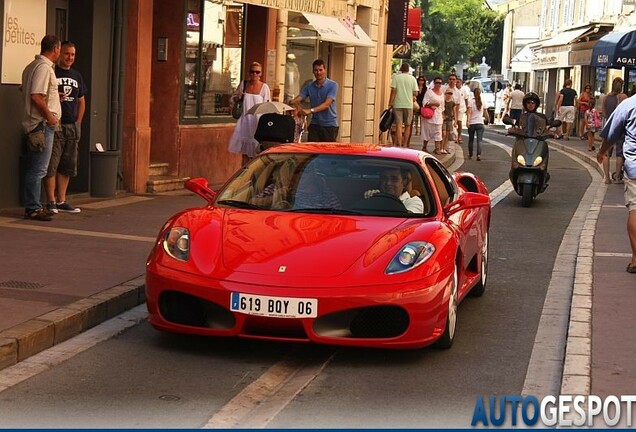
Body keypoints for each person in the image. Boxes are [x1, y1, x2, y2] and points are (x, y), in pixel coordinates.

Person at [20, 35, 62, 221]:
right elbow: (36, 96)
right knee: (38, 169)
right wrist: (50, 116)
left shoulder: (31, 66)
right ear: (56, 49)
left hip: (36, 123)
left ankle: (33, 205)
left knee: (35, 167)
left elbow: (26, 90)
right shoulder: (44, 68)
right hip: (41, 125)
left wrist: (53, 100)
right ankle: (33, 207)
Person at [43, 41, 87, 214]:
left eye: (73, 55)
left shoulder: (77, 76)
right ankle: (51, 201)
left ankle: (62, 200)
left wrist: (78, 122)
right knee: (52, 163)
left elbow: (81, 101)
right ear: (59, 53)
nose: (70, 58)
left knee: (68, 165)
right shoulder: (51, 72)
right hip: (56, 124)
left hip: (71, 125)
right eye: (67, 54)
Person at [596, 93, 636, 273]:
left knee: (635, 209)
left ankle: (635, 259)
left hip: (634, 167)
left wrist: (602, 151)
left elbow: (611, 134)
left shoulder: (628, 104)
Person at [228, 62, 271, 165]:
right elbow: (232, 100)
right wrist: (238, 98)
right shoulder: (243, 84)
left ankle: (253, 176)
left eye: (257, 72)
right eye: (252, 72)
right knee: (245, 153)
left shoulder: (264, 87)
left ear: (261, 74)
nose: (255, 74)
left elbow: (267, 106)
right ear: (249, 73)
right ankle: (244, 175)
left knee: (256, 152)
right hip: (245, 121)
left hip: (257, 122)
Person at [291, 59, 339, 142]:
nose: (318, 73)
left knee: (327, 152)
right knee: (312, 151)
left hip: (329, 125)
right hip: (315, 124)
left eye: (320, 70)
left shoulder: (333, 85)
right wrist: (294, 103)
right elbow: (299, 98)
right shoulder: (309, 86)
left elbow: (327, 104)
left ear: (325, 70)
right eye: (316, 70)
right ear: (313, 71)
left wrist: (310, 110)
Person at [601, 77, 628, 184]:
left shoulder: (606, 98)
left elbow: (603, 113)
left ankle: (607, 178)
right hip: (620, 127)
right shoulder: (623, 97)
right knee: (619, 154)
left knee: (606, 153)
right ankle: (617, 178)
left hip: (609, 126)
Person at [387, 62, 418, 148]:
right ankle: (405, 145)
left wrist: (390, 103)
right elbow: (415, 93)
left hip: (397, 104)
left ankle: (399, 145)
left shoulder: (396, 78)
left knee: (399, 125)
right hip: (408, 104)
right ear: (408, 70)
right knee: (407, 126)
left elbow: (393, 91)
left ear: (401, 69)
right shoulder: (412, 79)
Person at [421, 76, 444, 154]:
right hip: (429, 116)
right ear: (434, 83)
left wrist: (443, 115)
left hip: (438, 116)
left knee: (438, 133)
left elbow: (442, 106)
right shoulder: (429, 92)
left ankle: (437, 148)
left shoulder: (442, 94)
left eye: (440, 83)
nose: (438, 84)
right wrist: (433, 103)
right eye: (436, 82)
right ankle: (424, 147)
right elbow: (424, 103)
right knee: (427, 132)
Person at [465, 87, 488, 161]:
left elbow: (469, 112)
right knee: (479, 140)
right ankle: (478, 155)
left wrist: (468, 121)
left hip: (472, 123)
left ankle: (471, 155)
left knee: (471, 140)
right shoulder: (483, 101)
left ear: (473, 94)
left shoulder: (471, 101)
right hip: (480, 123)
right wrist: (488, 119)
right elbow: (485, 112)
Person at [442, 88, 456, 154]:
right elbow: (441, 110)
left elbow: (454, 112)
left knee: (447, 135)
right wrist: (443, 115)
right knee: (443, 134)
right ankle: (441, 148)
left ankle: (445, 148)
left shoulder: (452, 103)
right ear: (445, 94)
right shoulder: (443, 102)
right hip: (444, 120)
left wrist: (455, 121)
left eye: (451, 93)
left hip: (450, 120)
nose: (449, 95)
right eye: (448, 93)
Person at [455, 77, 467, 144]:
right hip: (454, 108)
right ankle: (455, 136)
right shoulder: (454, 90)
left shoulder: (464, 90)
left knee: (459, 122)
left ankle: (459, 136)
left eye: (458, 82)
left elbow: (466, 99)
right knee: (454, 123)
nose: (457, 83)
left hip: (461, 108)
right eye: (456, 82)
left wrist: (467, 109)